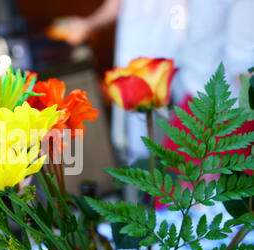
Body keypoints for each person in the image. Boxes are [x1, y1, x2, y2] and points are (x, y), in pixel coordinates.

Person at [54, 0, 188, 165]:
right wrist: (88, 24)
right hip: (146, 51)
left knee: (185, 131)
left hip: (174, 50)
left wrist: (88, 24)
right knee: (146, 144)